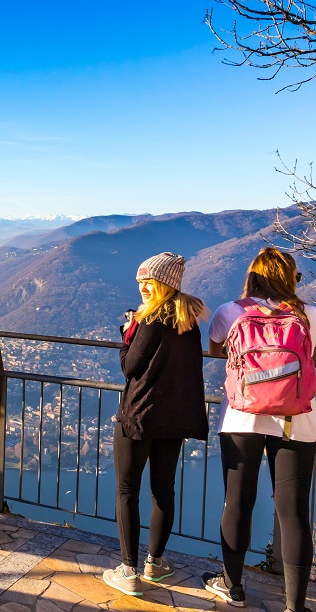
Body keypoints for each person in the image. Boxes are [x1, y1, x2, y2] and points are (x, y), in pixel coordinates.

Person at [202, 248, 316, 611]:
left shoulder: (231, 311)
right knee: (292, 512)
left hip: (241, 418)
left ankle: (233, 588)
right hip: (297, 421)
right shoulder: (311, 315)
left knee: (237, 502)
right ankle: (295, 604)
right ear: (292, 277)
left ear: (253, 277)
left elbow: (216, 350)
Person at [101, 252, 209, 597]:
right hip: (174, 418)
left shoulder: (150, 322)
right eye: (140, 282)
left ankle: (128, 570)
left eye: (149, 281)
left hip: (139, 417)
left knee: (127, 491)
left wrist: (127, 332)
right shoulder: (188, 322)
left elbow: (129, 367)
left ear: (166, 284)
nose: (143, 287)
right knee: (163, 490)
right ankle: (156, 562)